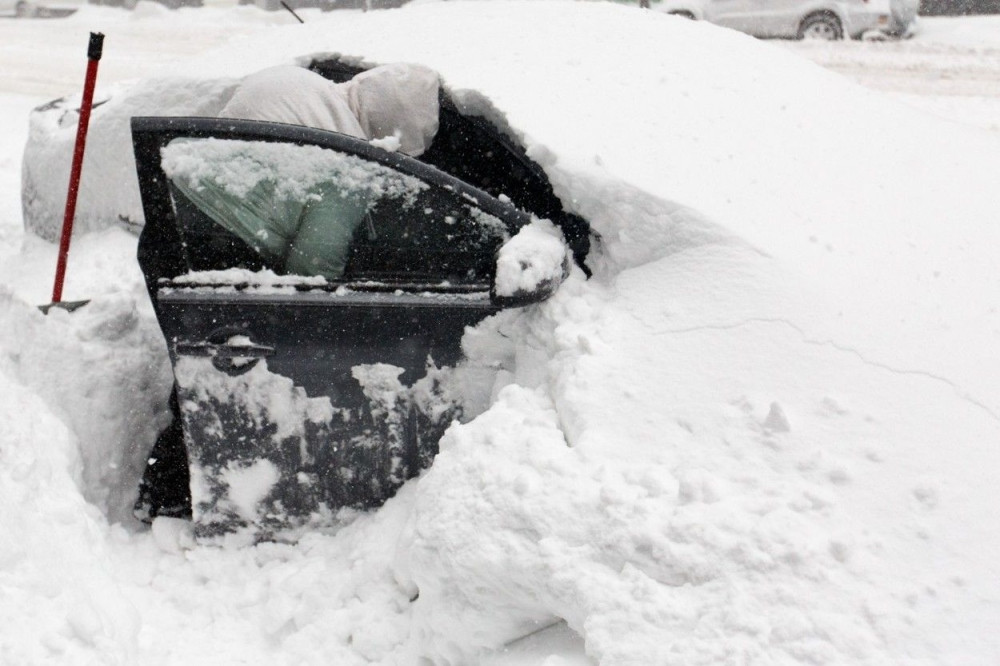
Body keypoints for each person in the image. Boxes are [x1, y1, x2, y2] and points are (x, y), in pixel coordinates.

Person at [134, 63, 442, 523]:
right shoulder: (347, 167)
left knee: (197, 362)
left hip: (169, 221)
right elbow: (311, 272)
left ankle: (171, 478)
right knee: (219, 371)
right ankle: (171, 492)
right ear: (391, 132)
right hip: (208, 245)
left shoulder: (303, 86)